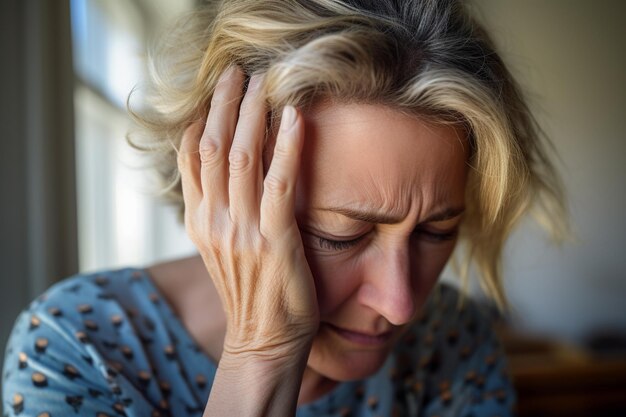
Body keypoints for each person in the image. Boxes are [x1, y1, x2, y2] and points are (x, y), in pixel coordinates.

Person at [2, 0, 567, 416]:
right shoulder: (79, 345)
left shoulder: (453, 341)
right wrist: (261, 356)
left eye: (437, 231)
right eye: (338, 236)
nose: (399, 305)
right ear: (213, 181)